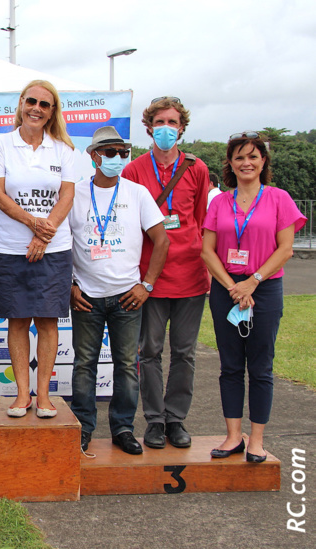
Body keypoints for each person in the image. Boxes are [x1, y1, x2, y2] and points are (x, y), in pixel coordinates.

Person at [201, 132, 306, 462]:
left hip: (265, 289)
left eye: (253, 156)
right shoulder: (219, 201)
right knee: (230, 366)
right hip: (225, 289)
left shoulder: (279, 198)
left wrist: (253, 281)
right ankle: (233, 436)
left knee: (260, 367)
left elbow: (285, 249)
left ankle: (257, 440)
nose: (246, 162)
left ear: (263, 162)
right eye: (239, 157)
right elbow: (207, 250)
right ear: (230, 163)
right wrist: (233, 285)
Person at [68, 127, 169, 455]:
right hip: (87, 296)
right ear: (93, 156)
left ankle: (123, 428)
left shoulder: (137, 193)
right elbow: (59, 241)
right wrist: (69, 284)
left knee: (127, 364)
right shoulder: (75, 193)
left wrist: (147, 285)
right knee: (85, 363)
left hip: (128, 295)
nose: (117, 159)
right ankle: (83, 428)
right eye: (109, 153)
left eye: (122, 153)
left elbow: (162, 240)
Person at [122, 96, 210, 449]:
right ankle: (155, 421)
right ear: (149, 127)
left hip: (190, 275)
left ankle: (177, 419)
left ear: (182, 128)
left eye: (172, 123)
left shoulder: (197, 167)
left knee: (185, 352)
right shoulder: (134, 170)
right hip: (150, 277)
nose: (166, 129)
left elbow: (200, 219)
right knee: (150, 352)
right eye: (160, 122)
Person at [0, 79, 76, 418]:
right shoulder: (0, 145)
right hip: (10, 248)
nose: (37, 108)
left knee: (49, 321)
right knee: (19, 320)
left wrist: (43, 235)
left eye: (45, 104)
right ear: (21, 104)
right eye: (32, 101)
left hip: (54, 249)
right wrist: (33, 224)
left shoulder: (63, 149)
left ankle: (44, 397)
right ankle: (23, 395)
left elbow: (66, 196)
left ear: (53, 112)